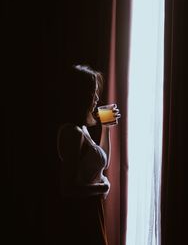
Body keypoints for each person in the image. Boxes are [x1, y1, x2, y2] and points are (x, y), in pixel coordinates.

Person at [55, 64, 121, 245]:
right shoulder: (71, 133)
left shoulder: (82, 129)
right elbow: (67, 189)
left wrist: (106, 128)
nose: (97, 97)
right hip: (81, 214)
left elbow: (103, 163)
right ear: (81, 96)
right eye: (93, 92)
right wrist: (103, 187)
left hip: (93, 210)